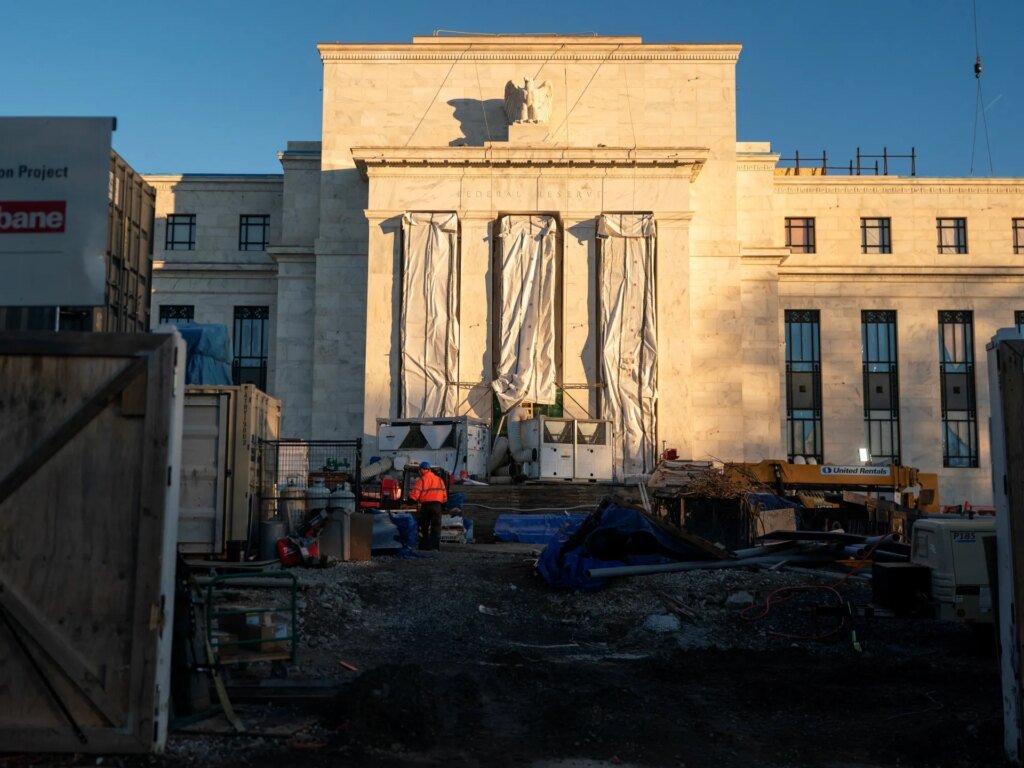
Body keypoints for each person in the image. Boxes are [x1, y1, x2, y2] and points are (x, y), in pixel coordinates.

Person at [408, 461, 447, 550]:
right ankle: (435, 547)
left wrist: (409, 503)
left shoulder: (422, 480)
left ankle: (424, 546)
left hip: (426, 506)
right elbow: (444, 494)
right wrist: (444, 505)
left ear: (422, 470)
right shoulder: (439, 480)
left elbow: (415, 495)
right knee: (436, 527)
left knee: (423, 526)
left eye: (419, 470)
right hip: (437, 506)